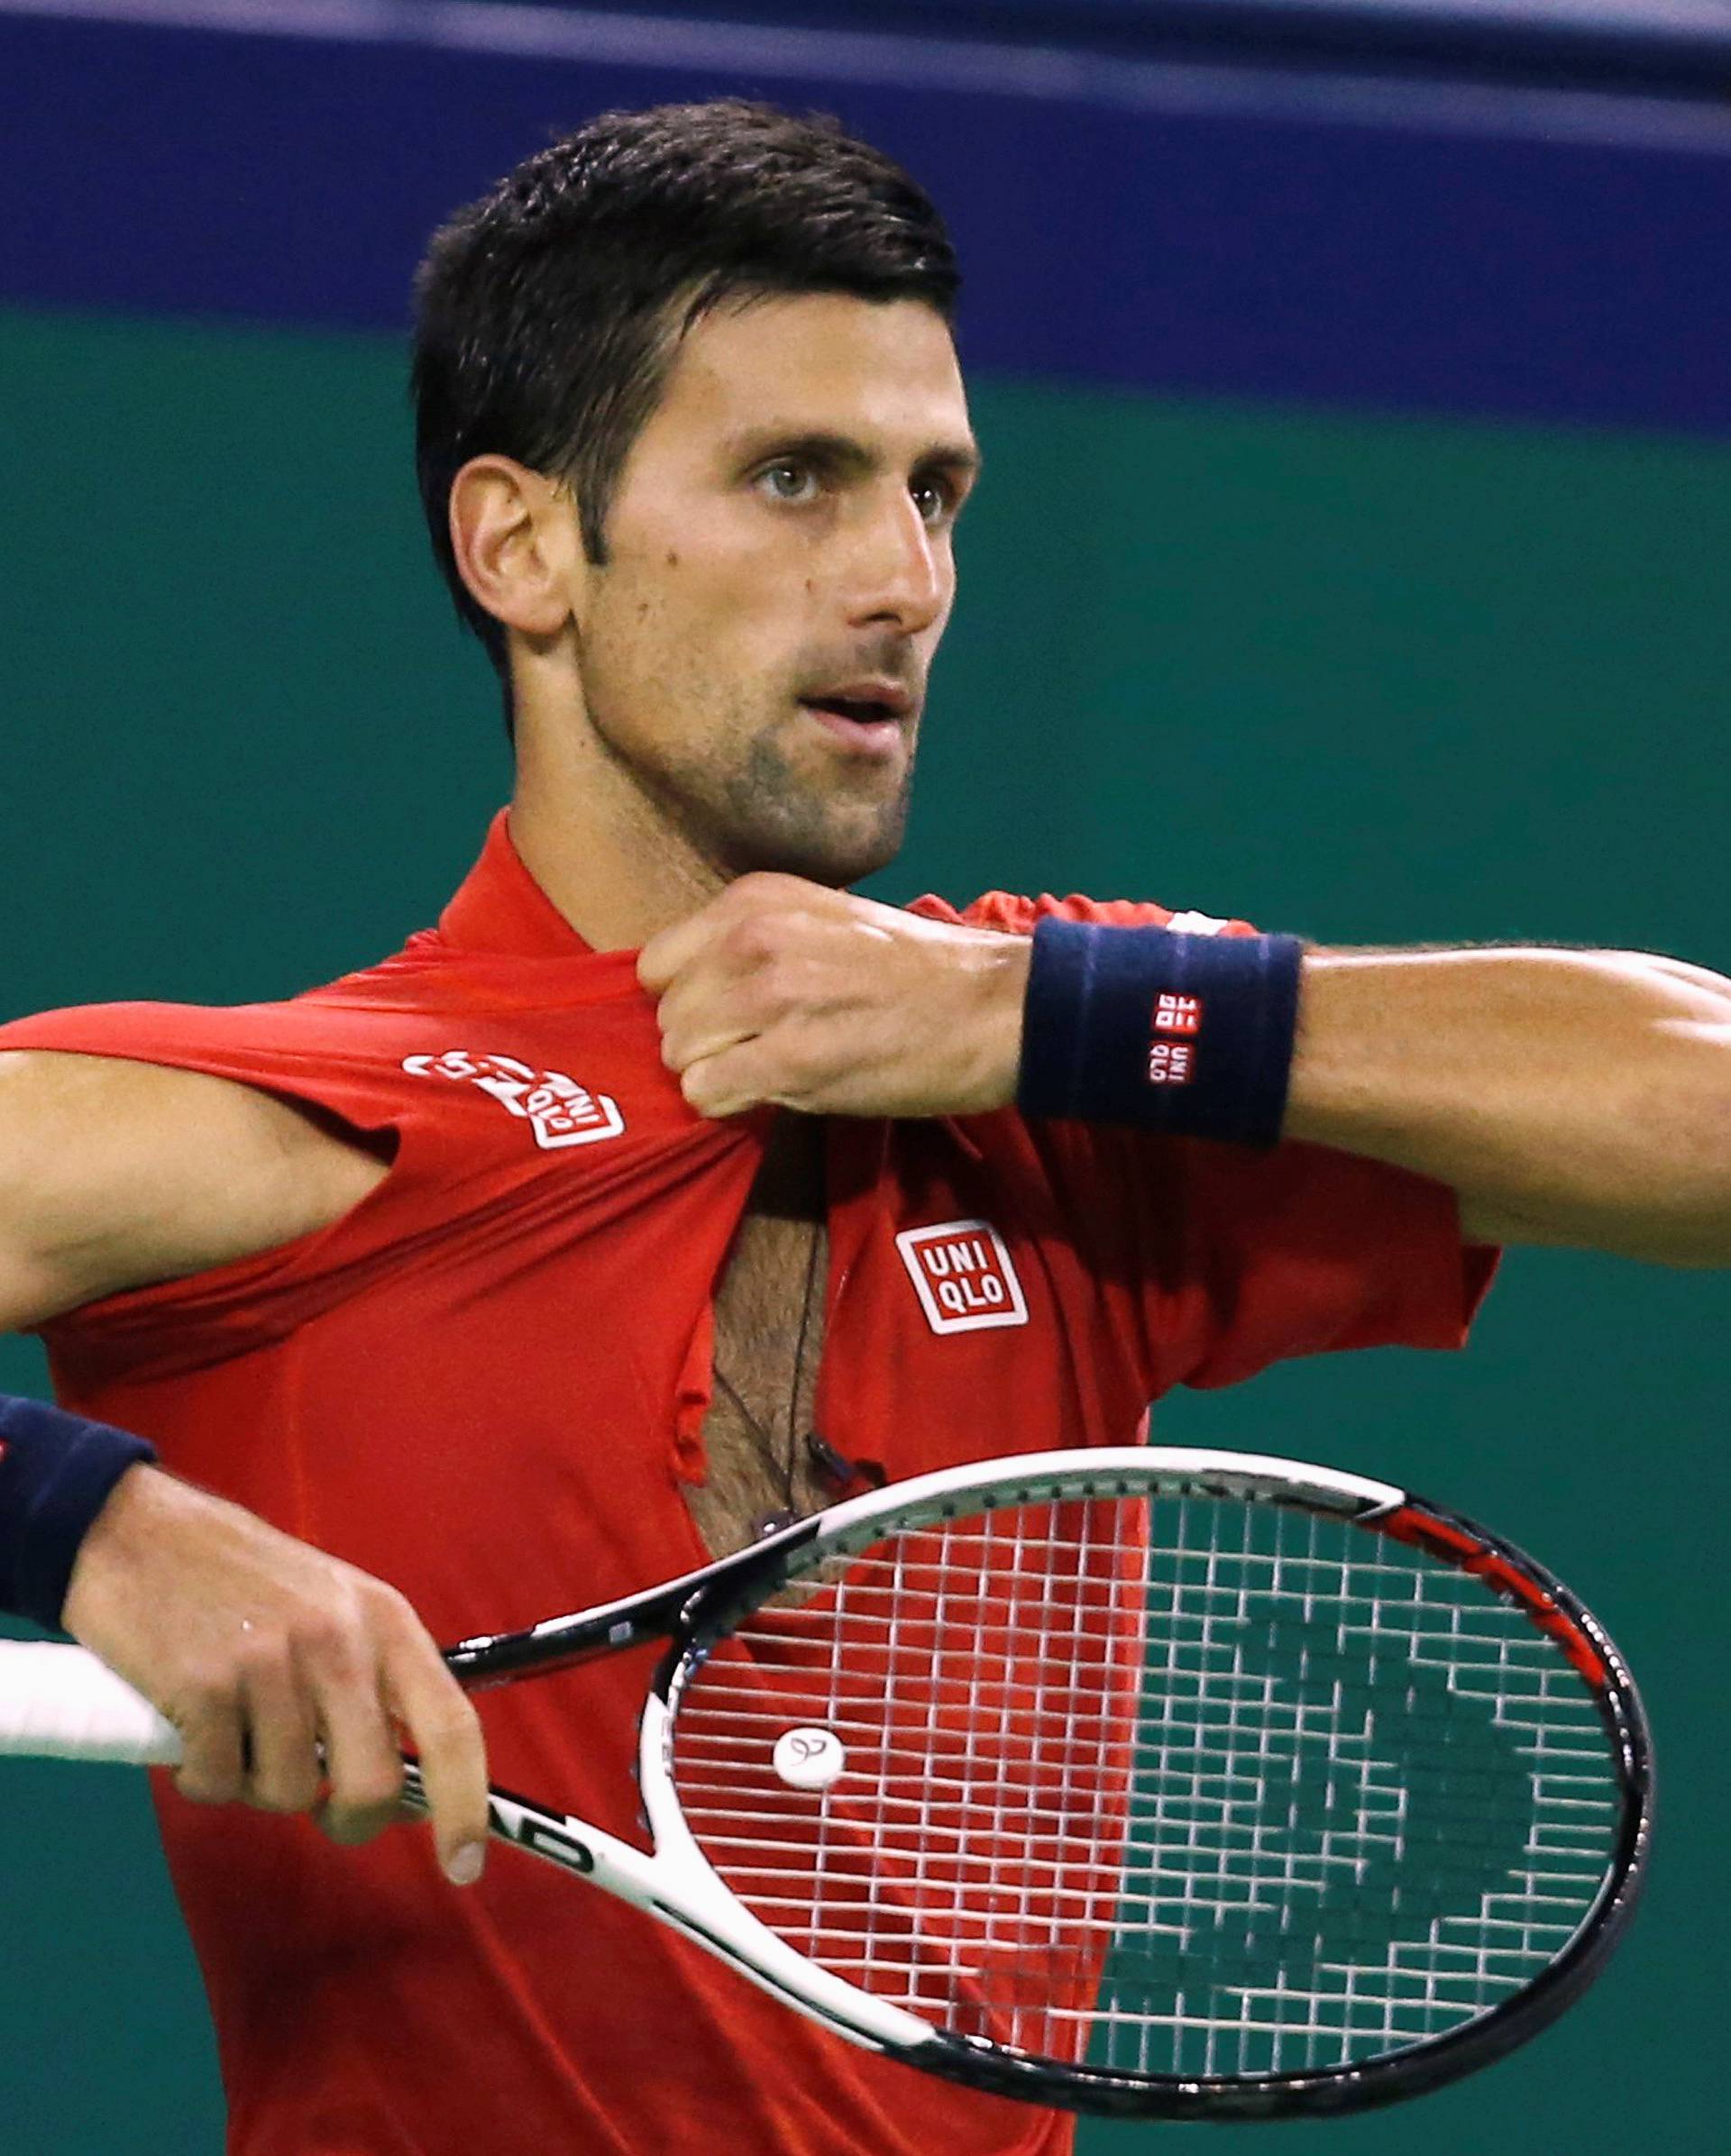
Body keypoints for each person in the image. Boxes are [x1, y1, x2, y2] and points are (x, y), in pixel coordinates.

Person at [0, 97, 1726, 2156]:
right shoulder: (319, 1120)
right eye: (797, 479)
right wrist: (92, 1520)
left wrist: (1032, 1010)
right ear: (522, 543)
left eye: (938, 492)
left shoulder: (1069, 1086)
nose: (903, 577)